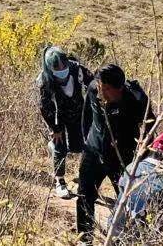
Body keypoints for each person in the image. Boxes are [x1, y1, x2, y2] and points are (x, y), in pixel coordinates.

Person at [76, 63, 154, 243]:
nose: (98, 92)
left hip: (122, 157)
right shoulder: (95, 88)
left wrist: (144, 149)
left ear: (116, 89)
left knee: (126, 199)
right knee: (85, 195)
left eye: (104, 89)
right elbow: (86, 117)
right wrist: (88, 143)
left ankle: (123, 239)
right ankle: (84, 238)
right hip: (94, 152)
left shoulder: (136, 98)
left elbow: (150, 124)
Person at [39, 45, 93, 200]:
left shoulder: (77, 70)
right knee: (60, 146)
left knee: (78, 146)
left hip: (77, 112)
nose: (62, 69)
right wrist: (55, 129)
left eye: (64, 65)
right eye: (57, 68)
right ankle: (60, 181)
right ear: (50, 68)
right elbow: (45, 107)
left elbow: (93, 83)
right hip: (57, 117)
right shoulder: (45, 81)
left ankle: (55, 147)